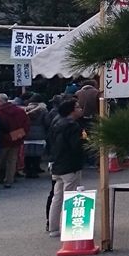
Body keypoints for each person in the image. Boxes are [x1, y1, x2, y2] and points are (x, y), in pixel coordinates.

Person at [46, 99, 85, 236]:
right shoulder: (73, 127)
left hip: (57, 164)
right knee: (71, 196)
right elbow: (76, 147)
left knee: (57, 197)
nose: (80, 109)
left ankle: (53, 227)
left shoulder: (56, 123)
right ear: (71, 110)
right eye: (78, 107)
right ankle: (68, 226)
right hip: (70, 165)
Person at [0, 93, 30, 188]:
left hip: (3, 141)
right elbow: (26, 125)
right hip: (17, 140)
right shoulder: (20, 111)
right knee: (12, 161)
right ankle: (9, 180)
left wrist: (7, 137)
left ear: (0, 102)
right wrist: (18, 136)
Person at [23, 98, 48, 178]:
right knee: (37, 154)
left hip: (27, 133)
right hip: (39, 133)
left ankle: (27, 170)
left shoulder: (25, 110)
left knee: (27, 154)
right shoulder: (43, 110)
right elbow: (46, 122)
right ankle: (35, 170)